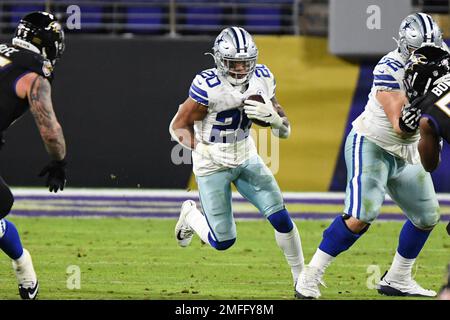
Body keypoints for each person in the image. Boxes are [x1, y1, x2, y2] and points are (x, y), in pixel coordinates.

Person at [295, 13, 445, 299]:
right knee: (361, 216)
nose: (426, 58)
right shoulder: (390, 67)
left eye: (432, 51)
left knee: (427, 216)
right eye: (418, 52)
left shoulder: (445, 62)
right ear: (403, 46)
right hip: (374, 144)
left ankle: (398, 278)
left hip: (406, 152)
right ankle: (310, 276)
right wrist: (422, 105)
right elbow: (400, 127)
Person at [169, 26, 304, 292]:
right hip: (212, 163)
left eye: (245, 64)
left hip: (245, 156)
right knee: (223, 241)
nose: (241, 70)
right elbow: (177, 126)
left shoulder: (262, 77)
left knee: (281, 217)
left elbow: (284, 130)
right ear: (220, 60)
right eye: (234, 64)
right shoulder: (208, 86)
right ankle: (190, 215)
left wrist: (277, 121)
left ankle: (302, 278)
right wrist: (202, 149)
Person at [0, 11, 67, 299]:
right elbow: (50, 131)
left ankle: (23, 263)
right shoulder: (33, 77)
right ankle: (23, 263)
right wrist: (59, 161)